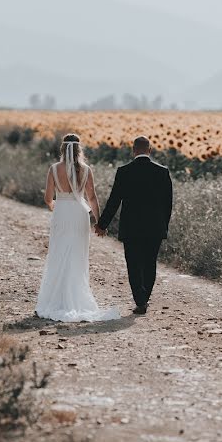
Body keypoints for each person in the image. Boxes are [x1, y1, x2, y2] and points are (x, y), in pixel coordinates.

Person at [34, 134, 120, 322]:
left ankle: (55, 299)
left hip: (62, 212)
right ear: (79, 149)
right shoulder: (86, 170)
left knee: (58, 253)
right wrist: (99, 222)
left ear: (62, 149)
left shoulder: (54, 169)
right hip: (80, 214)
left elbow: (48, 198)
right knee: (77, 256)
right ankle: (76, 298)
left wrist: (54, 205)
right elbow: (92, 198)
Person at [95, 136, 173, 315]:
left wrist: (102, 224)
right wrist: (164, 226)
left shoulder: (124, 171)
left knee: (133, 264)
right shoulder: (162, 172)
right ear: (150, 150)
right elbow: (168, 203)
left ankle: (140, 300)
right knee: (149, 263)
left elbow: (114, 201)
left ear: (133, 150)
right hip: (155, 227)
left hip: (131, 228)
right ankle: (145, 298)